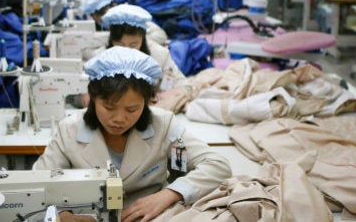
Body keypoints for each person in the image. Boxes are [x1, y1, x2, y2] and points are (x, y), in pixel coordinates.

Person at [33, 46, 231, 222]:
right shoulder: (69, 130)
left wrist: (170, 193)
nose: (119, 119)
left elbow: (217, 165)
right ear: (92, 98)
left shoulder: (163, 124)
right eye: (109, 107)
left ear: (147, 102)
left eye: (132, 109)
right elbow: (36, 187)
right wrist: (63, 216)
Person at [79, 0, 167, 46]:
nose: (99, 20)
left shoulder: (130, 16)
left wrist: (135, 42)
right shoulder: (104, 29)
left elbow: (161, 35)